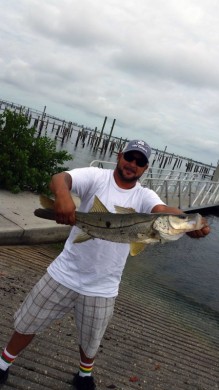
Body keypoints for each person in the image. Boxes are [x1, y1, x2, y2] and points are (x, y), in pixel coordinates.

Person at [0, 140, 210, 389]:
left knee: (91, 338)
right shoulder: (96, 177)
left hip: (103, 286)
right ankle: (3, 364)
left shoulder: (145, 196)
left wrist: (187, 222)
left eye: (140, 162)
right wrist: (63, 196)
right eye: (129, 157)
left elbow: (162, 209)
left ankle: (84, 375)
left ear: (145, 168)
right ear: (120, 156)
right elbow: (60, 178)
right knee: (28, 321)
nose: (133, 164)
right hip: (64, 272)